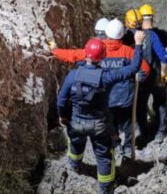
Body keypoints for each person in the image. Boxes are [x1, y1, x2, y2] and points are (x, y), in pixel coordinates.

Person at [56, 33, 146, 194]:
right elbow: (134, 68)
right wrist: (138, 44)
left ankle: (75, 167)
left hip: (76, 122)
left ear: (86, 53)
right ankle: (105, 189)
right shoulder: (107, 76)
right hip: (99, 125)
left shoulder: (72, 75)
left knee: (76, 146)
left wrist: (63, 116)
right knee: (104, 157)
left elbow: (61, 101)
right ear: (103, 56)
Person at [52, 20, 151, 160]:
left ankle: (115, 145)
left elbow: (72, 55)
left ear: (105, 33)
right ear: (122, 36)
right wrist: (139, 77)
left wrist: (55, 51)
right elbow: (144, 68)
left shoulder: (98, 49)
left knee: (110, 125)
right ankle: (128, 147)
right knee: (128, 124)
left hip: (105, 100)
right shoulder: (128, 51)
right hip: (125, 98)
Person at [134, 4, 167, 143]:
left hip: (141, 78)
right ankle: (160, 132)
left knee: (141, 106)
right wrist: (163, 72)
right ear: (153, 17)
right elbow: (164, 57)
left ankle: (143, 133)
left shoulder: (135, 36)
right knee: (160, 103)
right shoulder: (153, 35)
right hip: (155, 76)